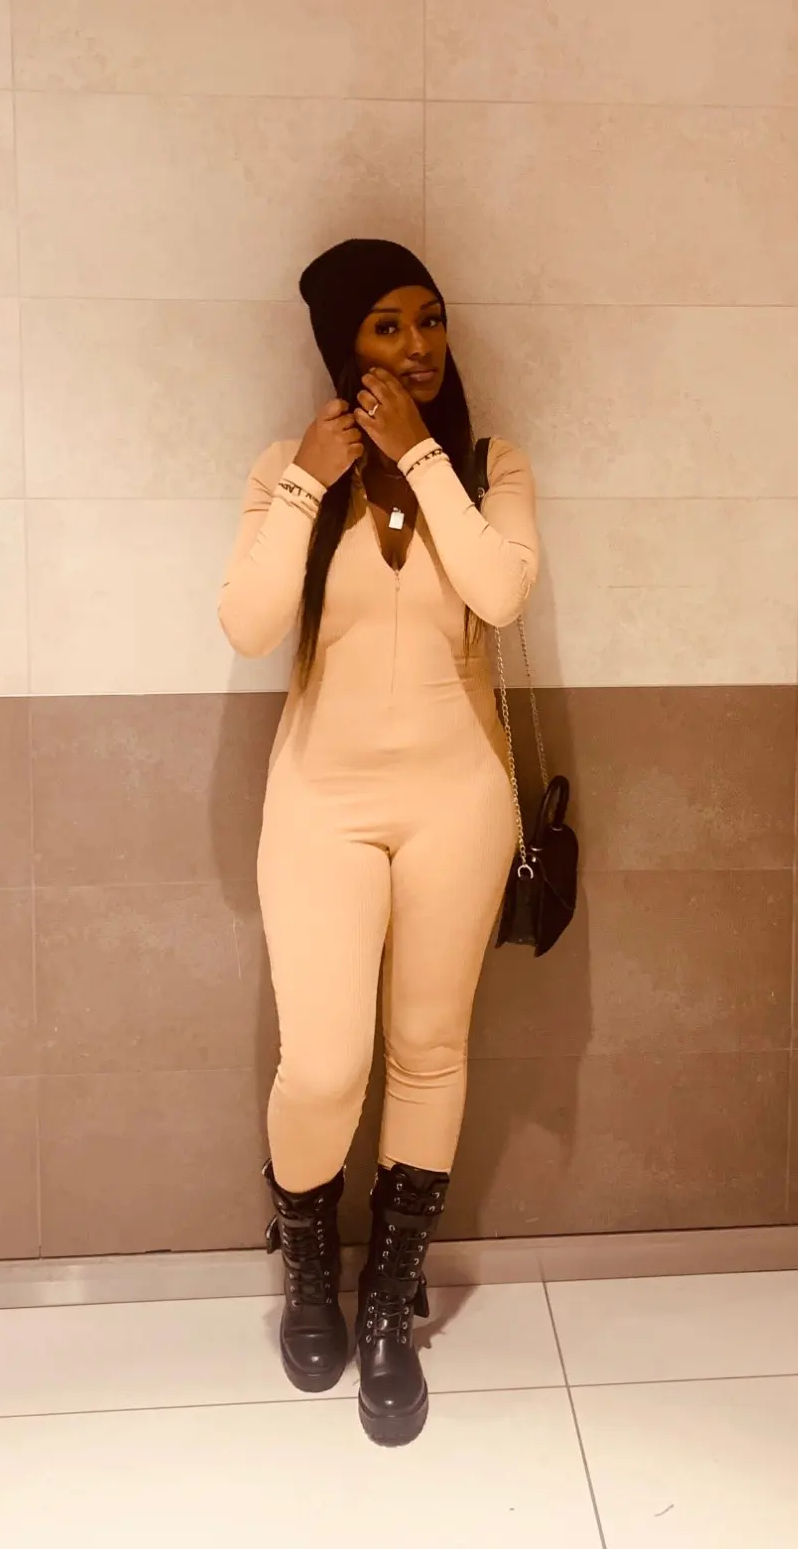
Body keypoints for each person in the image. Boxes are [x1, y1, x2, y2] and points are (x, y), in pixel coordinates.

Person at [217, 237, 539, 1446]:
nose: (416, 347)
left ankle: (390, 1296)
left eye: (431, 320)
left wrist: (420, 456)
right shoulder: (285, 466)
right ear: (341, 343)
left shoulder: (492, 463)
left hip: (460, 800)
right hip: (320, 801)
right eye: (386, 326)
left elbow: (501, 592)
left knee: (429, 1049)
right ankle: (309, 1266)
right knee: (323, 1064)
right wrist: (310, 479)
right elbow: (249, 622)